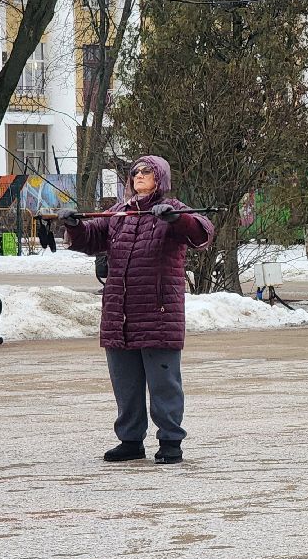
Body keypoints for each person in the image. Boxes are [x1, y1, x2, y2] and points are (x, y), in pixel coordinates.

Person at [60, 156, 213, 464]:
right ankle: (130, 440)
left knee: (163, 385)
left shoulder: (173, 209)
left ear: (161, 178)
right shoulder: (119, 212)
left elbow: (201, 233)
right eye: (135, 172)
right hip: (120, 316)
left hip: (158, 314)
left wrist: (174, 219)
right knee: (125, 385)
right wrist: (74, 226)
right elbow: (91, 238)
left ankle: (170, 441)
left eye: (147, 171)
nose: (140, 176)